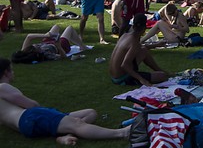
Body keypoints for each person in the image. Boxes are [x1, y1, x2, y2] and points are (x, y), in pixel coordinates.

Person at [0, 58, 130, 145]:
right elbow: (32, 105)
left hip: (25, 127)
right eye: (11, 69)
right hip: (29, 117)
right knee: (77, 123)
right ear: (6, 72)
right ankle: (121, 133)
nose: (13, 72)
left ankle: (64, 135)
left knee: (91, 113)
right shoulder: (2, 87)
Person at [110, 13, 168, 86]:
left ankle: (160, 70)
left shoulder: (125, 35)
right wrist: (141, 79)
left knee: (143, 50)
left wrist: (157, 45)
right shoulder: (134, 41)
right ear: (144, 29)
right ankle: (162, 72)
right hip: (122, 78)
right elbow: (124, 65)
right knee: (162, 76)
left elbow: (139, 48)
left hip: (114, 76)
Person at [12, 25, 87, 62]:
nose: (35, 46)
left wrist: (46, 35)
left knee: (56, 26)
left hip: (46, 42)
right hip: (59, 46)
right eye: (35, 48)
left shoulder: (25, 51)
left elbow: (29, 37)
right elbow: (63, 57)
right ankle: (82, 46)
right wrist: (59, 46)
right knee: (69, 28)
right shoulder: (45, 54)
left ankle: (78, 41)